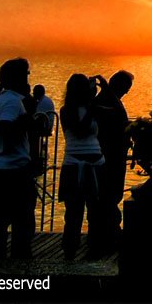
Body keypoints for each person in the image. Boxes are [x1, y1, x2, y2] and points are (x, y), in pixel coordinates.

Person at [0, 58, 36, 261]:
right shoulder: (13, 101)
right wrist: (24, 124)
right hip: (16, 169)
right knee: (23, 217)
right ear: (18, 78)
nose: (28, 78)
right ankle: (20, 259)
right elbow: (5, 125)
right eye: (26, 74)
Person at [59, 73, 106, 260]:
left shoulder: (93, 108)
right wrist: (92, 109)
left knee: (95, 211)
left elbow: (115, 107)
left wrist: (105, 87)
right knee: (74, 211)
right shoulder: (67, 110)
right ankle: (70, 248)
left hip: (95, 163)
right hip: (74, 164)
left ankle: (94, 247)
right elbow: (79, 131)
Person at [94, 70, 134, 252]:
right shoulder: (104, 102)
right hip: (108, 155)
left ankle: (109, 231)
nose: (126, 93)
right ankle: (107, 234)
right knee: (108, 194)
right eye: (126, 88)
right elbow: (117, 117)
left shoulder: (110, 101)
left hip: (115, 154)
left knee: (112, 194)